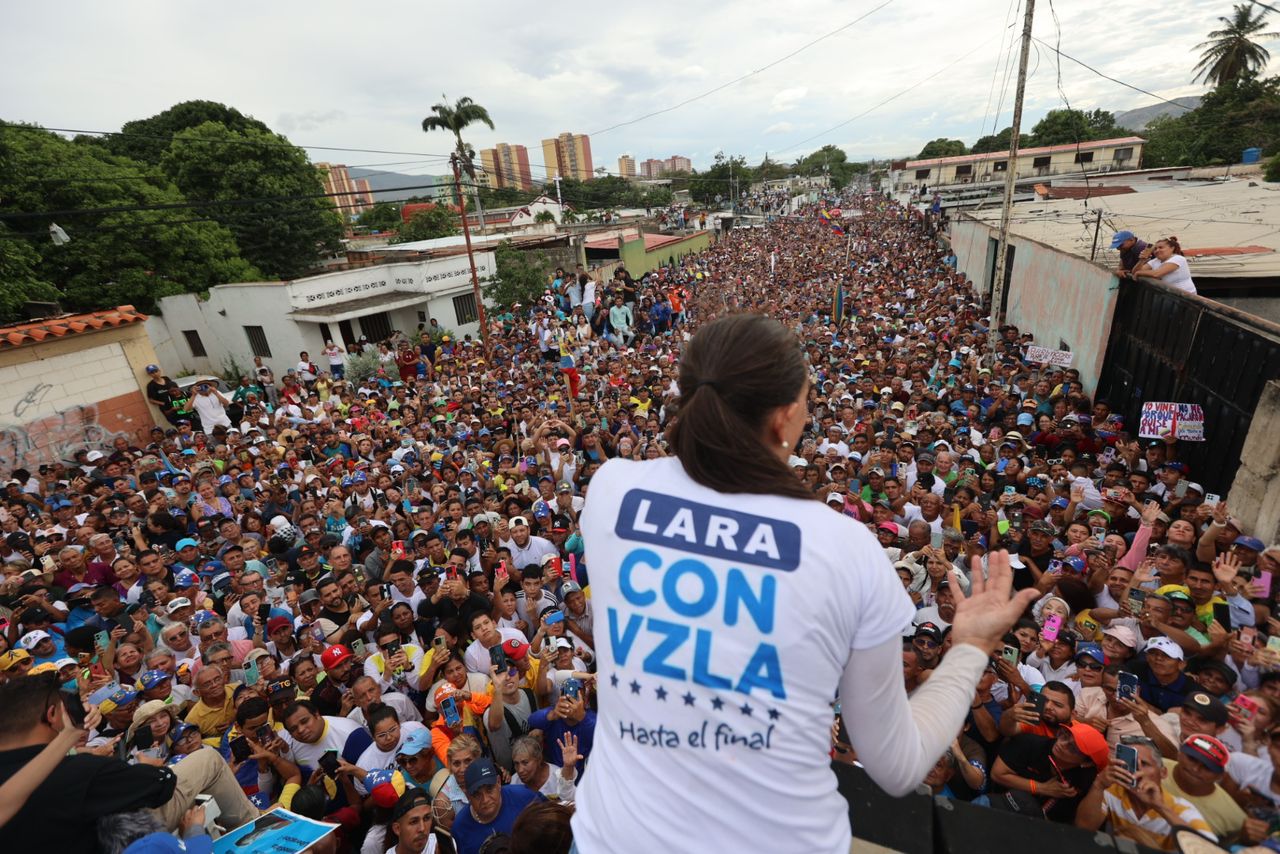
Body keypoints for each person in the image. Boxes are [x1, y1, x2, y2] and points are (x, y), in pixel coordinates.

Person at [571, 314, 1038, 852]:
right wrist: (971, 647)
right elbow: (897, 764)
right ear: (786, 417)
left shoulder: (612, 490)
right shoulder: (845, 549)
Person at [0, 673, 258, 850]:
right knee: (207, 759)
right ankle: (257, 825)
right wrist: (146, 768)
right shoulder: (80, 771)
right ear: (53, 714)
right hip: (121, 835)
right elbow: (161, 785)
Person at [450, 757, 544, 854]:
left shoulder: (525, 797)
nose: (485, 800)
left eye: (489, 789)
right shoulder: (459, 829)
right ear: (468, 795)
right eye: (477, 794)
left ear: (498, 783)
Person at [1130, 236, 1196, 296]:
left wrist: (1139, 273)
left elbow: (1157, 274)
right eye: (1155, 249)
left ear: (1172, 248)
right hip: (1169, 295)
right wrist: (1142, 260)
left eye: (1161, 247)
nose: (1157, 250)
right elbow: (1134, 272)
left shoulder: (1178, 259)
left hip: (1186, 297)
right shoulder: (1156, 260)